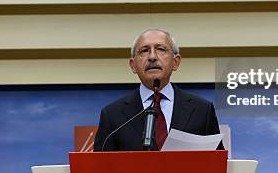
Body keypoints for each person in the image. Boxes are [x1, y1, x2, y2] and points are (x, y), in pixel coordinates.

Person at [93, 28, 224, 151]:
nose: (152, 57)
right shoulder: (112, 115)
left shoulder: (202, 110)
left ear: (175, 62)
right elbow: (100, 165)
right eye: (144, 51)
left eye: (161, 49)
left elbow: (217, 163)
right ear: (133, 65)